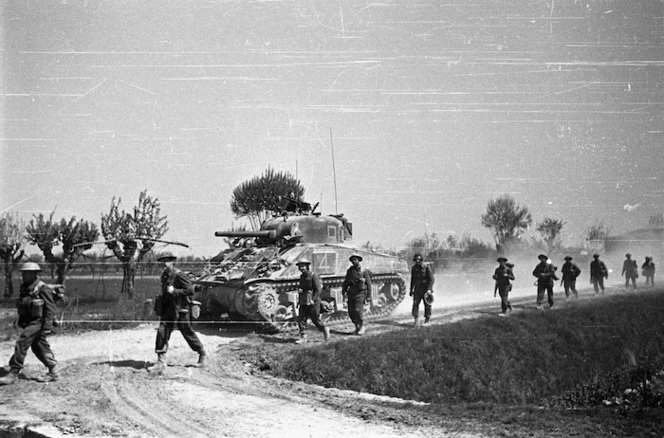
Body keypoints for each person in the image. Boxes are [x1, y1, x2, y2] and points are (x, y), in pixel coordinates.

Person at [0, 262, 61, 385]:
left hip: (39, 322)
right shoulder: (25, 287)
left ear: (34, 274)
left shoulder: (42, 288)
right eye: (23, 273)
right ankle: (53, 371)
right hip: (29, 320)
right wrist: (19, 319)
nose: (24, 275)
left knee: (22, 341)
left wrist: (48, 326)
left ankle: (14, 372)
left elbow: (50, 308)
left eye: (27, 273)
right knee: (39, 346)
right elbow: (23, 305)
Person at [148, 252, 206, 373]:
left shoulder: (179, 275)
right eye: (161, 261)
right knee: (162, 331)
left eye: (166, 261)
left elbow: (190, 290)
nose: (163, 264)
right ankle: (160, 361)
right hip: (168, 309)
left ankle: (202, 353)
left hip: (180, 309)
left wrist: (174, 291)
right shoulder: (164, 275)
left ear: (172, 262)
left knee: (187, 332)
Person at [294, 259, 330, 344]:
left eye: (303, 266)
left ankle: (324, 329)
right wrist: (300, 290)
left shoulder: (313, 276)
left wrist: (313, 299)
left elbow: (318, 289)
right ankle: (303, 337)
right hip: (304, 300)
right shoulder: (302, 277)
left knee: (315, 320)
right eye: (300, 267)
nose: (301, 268)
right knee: (301, 319)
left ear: (307, 267)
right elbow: (302, 287)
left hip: (313, 301)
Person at [342, 254, 372, 335]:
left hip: (360, 293)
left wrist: (368, 296)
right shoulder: (350, 271)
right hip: (351, 293)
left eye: (355, 259)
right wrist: (343, 291)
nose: (353, 261)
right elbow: (346, 281)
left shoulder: (363, 271)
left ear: (358, 260)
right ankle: (357, 326)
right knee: (351, 312)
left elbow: (368, 284)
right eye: (352, 260)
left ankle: (362, 326)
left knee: (358, 310)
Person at [410, 253, 435, 326]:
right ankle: (416, 319)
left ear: (421, 260)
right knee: (415, 304)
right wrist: (411, 290)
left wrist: (429, 289)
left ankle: (427, 319)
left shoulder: (426, 267)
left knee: (427, 304)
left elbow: (432, 279)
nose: (417, 261)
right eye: (416, 260)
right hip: (417, 289)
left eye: (419, 259)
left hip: (425, 289)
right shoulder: (414, 268)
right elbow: (413, 280)